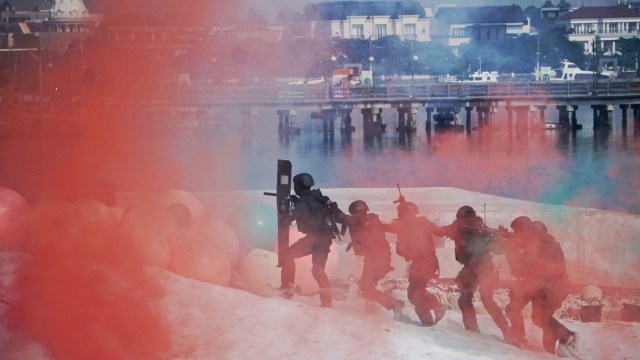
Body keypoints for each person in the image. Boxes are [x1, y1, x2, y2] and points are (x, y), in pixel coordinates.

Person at [434, 205, 515, 344]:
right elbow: (497, 249)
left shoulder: (474, 228)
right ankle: (504, 331)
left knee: (469, 299)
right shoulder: (480, 228)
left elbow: (439, 231)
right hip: (481, 267)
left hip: (477, 267)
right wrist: (500, 237)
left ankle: (475, 330)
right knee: (484, 300)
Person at [505, 219, 578, 356]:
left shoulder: (540, 244)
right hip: (547, 287)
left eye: (517, 232)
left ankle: (566, 337)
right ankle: (555, 344)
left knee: (539, 317)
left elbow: (523, 270)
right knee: (537, 317)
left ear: (526, 230)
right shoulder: (545, 241)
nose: (516, 235)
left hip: (549, 288)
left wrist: (512, 252)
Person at [278, 172, 341, 308]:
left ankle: (287, 288)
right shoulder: (320, 199)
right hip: (323, 239)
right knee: (318, 271)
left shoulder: (302, 203)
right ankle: (326, 301)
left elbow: (288, 219)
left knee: (288, 256)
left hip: (315, 239)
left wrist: (285, 210)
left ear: (299, 186)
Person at [335, 200, 405, 318]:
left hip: (378, 260)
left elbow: (364, 229)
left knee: (366, 288)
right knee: (366, 287)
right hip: (374, 259)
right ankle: (377, 308)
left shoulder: (371, 219)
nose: (357, 217)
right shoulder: (366, 222)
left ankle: (395, 304)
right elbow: (365, 235)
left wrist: (335, 210)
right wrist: (354, 243)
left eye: (358, 214)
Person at [384, 201, 446, 326]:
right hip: (427, 261)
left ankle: (436, 307)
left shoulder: (403, 225)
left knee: (415, 292)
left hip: (424, 262)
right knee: (414, 293)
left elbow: (386, 228)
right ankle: (427, 319)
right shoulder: (422, 221)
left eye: (400, 213)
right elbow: (439, 231)